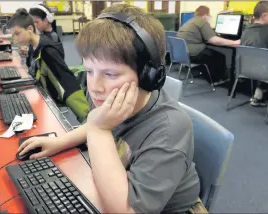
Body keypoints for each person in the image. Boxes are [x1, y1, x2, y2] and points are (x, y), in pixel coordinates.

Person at [17, 4, 205, 214]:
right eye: (89, 70)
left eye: (111, 74)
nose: (94, 87)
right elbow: (96, 121)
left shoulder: (170, 129)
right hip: (122, 183)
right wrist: (59, 142)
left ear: (149, 76)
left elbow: (125, 210)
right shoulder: (111, 98)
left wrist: (99, 130)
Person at [7, 10, 89, 122]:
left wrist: (86, 117)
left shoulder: (47, 51)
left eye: (17, 33)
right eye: (13, 35)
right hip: (41, 95)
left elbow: (65, 80)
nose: (15, 39)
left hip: (50, 100)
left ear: (30, 29)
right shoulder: (33, 46)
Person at [177, 6, 240, 83]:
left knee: (209, 52)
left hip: (183, 54)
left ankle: (207, 75)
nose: (209, 17)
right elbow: (213, 40)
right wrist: (234, 42)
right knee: (220, 56)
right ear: (205, 15)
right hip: (193, 54)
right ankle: (215, 80)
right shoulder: (202, 21)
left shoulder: (190, 21)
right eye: (209, 15)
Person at [241, 1, 268, 107]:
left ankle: (259, 93)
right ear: (264, 15)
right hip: (266, 74)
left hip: (245, 71)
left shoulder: (246, 31)